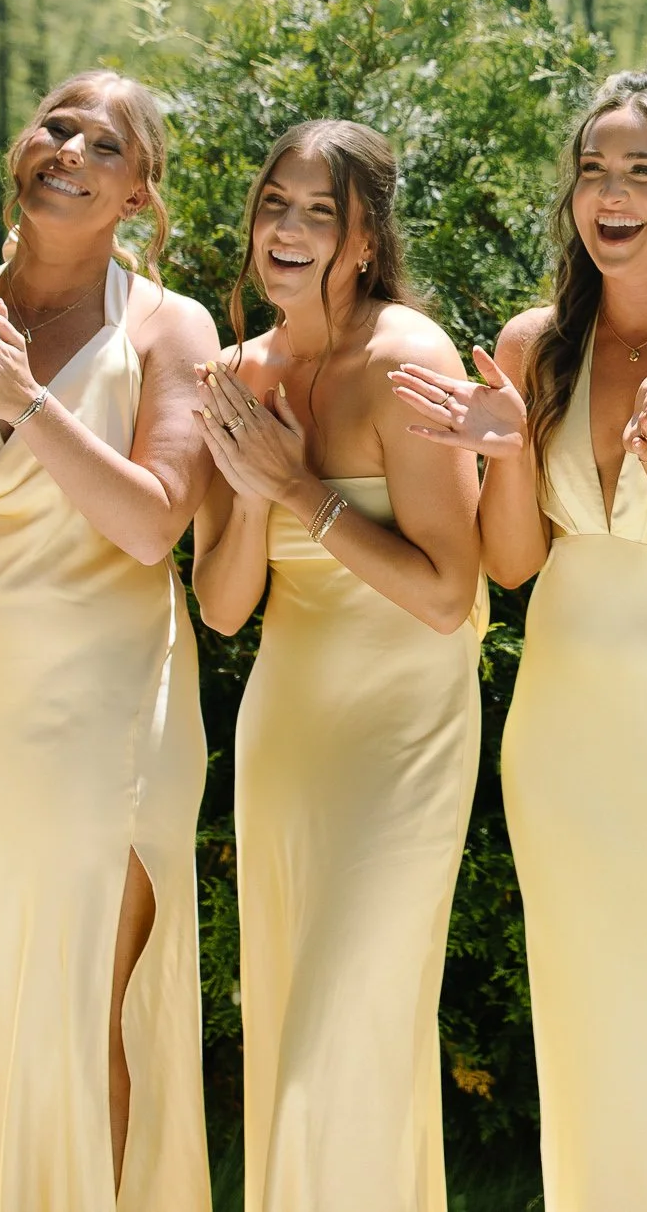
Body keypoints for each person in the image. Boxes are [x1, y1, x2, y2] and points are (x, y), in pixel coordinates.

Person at [392, 62, 647, 1212]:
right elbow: (516, 563)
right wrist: (509, 451)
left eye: (642, 170)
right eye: (592, 170)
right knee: (592, 1032)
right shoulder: (535, 344)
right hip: (570, 738)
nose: (610, 193)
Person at [0, 71, 217, 1212]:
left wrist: (25, 398)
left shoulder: (170, 327)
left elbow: (154, 520)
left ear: (139, 193)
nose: (66, 146)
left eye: (102, 142)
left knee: (86, 999)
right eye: (53, 124)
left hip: (110, 714)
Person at [190, 120, 484, 1212]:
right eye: (276, 203)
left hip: (402, 734)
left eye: (321, 210)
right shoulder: (235, 369)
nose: (289, 227)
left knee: (341, 1033)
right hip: (288, 733)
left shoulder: (408, 358)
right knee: (294, 1029)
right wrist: (247, 485)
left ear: (366, 239)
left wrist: (301, 489)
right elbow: (224, 608)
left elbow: (449, 594)